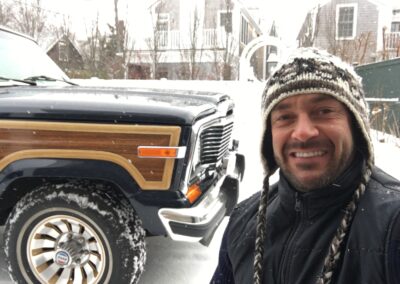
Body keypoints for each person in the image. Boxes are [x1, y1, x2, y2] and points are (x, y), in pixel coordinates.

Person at [211, 48, 400, 284]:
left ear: (356, 126)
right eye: (285, 117)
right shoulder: (243, 220)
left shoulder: (393, 225)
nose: (302, 133)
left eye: (323, 111)